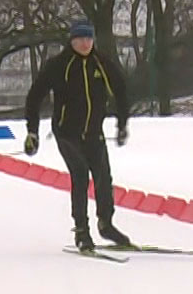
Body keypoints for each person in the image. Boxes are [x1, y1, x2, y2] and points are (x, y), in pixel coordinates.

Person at [24, 19, 133, 251]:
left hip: (94, 132)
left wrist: (122, 124)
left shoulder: (101, 63)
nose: (85, 44)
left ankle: (106, 224)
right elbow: (35, 96)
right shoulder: (59, 65)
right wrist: (32, 132)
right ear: (72, 40)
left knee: (103, 176)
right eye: (80, 39)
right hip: (66, 132)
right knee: (81, 174)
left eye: (89, 39)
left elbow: (121, 91)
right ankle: (81, 230)